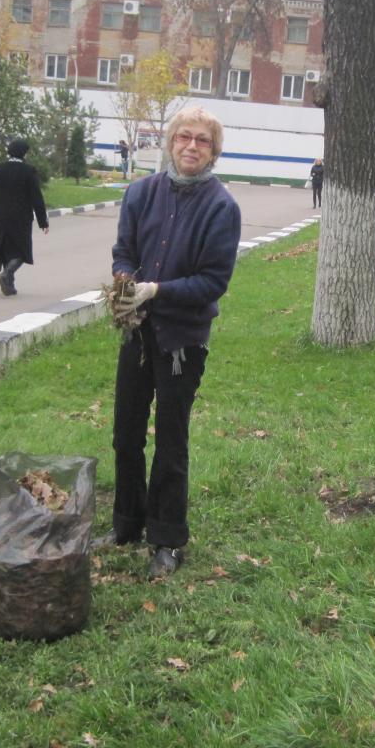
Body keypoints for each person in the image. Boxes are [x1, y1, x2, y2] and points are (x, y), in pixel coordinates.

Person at [103, 106, 242, 578]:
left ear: (214, 152)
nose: (191, 146)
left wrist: (158, 291)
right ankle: (126, 522)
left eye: (202, 141)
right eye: (183, 137)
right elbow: (125, 249)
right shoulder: (141, 193)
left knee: (170, 440)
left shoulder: (221, 207)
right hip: (137, 332)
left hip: (183, 340)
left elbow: (212, 282)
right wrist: (126, 282)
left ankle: (167, 539)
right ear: (170, 142)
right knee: (125, 432)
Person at [0, 138, 48, 297]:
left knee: (6, 249)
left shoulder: (0, 168)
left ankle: (9, 286)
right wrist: (43, 221)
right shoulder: (29, 171)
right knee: (22, 250)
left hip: (0, 215)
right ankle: (7, 274)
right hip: (20, 218)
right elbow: (36, 197)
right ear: (23, 153)